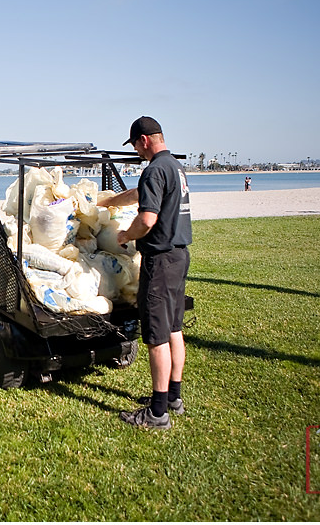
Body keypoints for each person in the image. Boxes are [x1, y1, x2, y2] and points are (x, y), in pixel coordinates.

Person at [113, 117, 192, 431]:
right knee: (174, 328)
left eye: (134, 145)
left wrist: (125, 236)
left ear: (144, 139)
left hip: (159, 260)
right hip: (179, 255)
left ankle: (157, 413)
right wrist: (109, 201)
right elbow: (140, 194)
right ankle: (173, 397)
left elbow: (146, 219)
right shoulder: (174, 166)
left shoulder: (154, 169)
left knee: (156, 337)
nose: (136, 151)